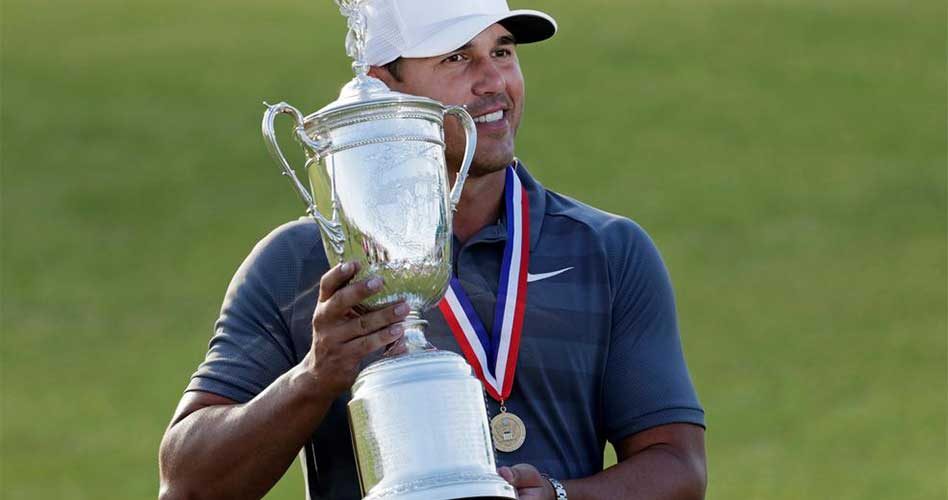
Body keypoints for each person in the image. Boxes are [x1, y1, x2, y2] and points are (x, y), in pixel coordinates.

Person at [158, 1, 706, 499]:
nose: (494, 81)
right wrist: (315, 377)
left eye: (503, 51)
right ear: (384, 86)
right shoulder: (301, 263)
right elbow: (186, 485)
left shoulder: (608, 251)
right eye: (456, 59)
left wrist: (562, 497)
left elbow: (679, 467)